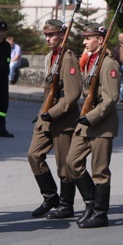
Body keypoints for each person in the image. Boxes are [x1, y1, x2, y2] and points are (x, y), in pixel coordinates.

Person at [66, 22, 120, 229]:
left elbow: (111, 97)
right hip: (87, 121)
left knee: (99, 170)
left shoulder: (108, 64)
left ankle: (100, 213)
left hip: (102, 123)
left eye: (88, 38)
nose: (84, 42)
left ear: (100, 39)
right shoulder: (91, 61)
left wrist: (91, 117)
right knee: (72, 162)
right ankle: (90, 203)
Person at [28, 19, 83, 219]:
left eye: (51, 35)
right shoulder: (51, 56)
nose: (48, 39)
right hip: (47, 114)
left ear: (62, 35)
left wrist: (53, 113)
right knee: (33, 155)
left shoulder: (67, 58)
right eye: (46, 35)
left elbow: (73, 94)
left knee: (63, 164)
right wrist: (44, 113)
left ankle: (66, 205)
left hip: (63, 118)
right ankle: (50, 196)